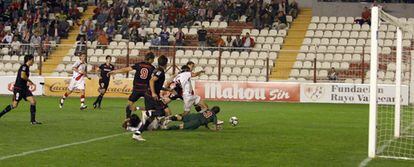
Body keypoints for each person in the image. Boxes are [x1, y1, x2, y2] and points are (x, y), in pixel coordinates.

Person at [108, 52, 155, 119]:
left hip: (137, 89)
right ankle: (149, 122)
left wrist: (114, 72)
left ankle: (127, 119)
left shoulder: (139, 64)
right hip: (146, 89)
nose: (153, 61)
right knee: (149, 108)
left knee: (129, 104)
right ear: (150, 59)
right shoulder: (152, 68)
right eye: (153, 59)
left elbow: (125, 69)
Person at [0, 55, 41, 125]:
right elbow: (22, 76)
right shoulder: (24, 67)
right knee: (14, 105)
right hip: (19, 88)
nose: (33, 61)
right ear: (29, 60)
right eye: (32, 60)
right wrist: (29, 80)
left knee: (33, 101)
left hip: (24, 88)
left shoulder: (26, 67)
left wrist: (27, 82)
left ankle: (33, 121)